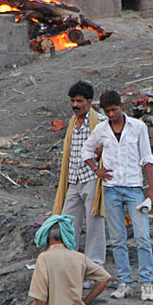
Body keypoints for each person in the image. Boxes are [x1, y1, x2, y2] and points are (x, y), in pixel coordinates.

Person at [82, 90, 153, 301]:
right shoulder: (101, 129)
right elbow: (86, 151)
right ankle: (124, 282)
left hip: (134, 188)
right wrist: (96, 170)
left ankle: (146, 283)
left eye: (114, 110)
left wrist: (152, 189)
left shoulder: (138, 127)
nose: (111, 115)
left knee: (142, 237)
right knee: (117, 239)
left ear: (121, 106)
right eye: (107, 112)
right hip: (111, 188)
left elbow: (147, 158)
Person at [52, 81, 108, 283]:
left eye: (79, 101)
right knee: (68, 223)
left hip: (92, 178)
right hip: (74, 179)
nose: (75, 105)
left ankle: (94, 270)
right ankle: (70, 268)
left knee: (95, 224)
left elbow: (110, 146)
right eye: (72, 101)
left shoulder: (101, 122)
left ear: (89, 102)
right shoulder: (71, 122)